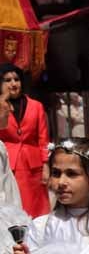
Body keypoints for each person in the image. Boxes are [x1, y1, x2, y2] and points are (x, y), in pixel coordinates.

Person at [0, 63, 49, 217]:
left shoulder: (36, 106)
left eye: (16, 79)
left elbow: (43, 138)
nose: (13, 84)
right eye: (7, 80)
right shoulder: (1, 106)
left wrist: (46, 164)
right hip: (10, 163)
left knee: (38, 209)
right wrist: (2, 102)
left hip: (33, 165)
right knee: (15, 205)